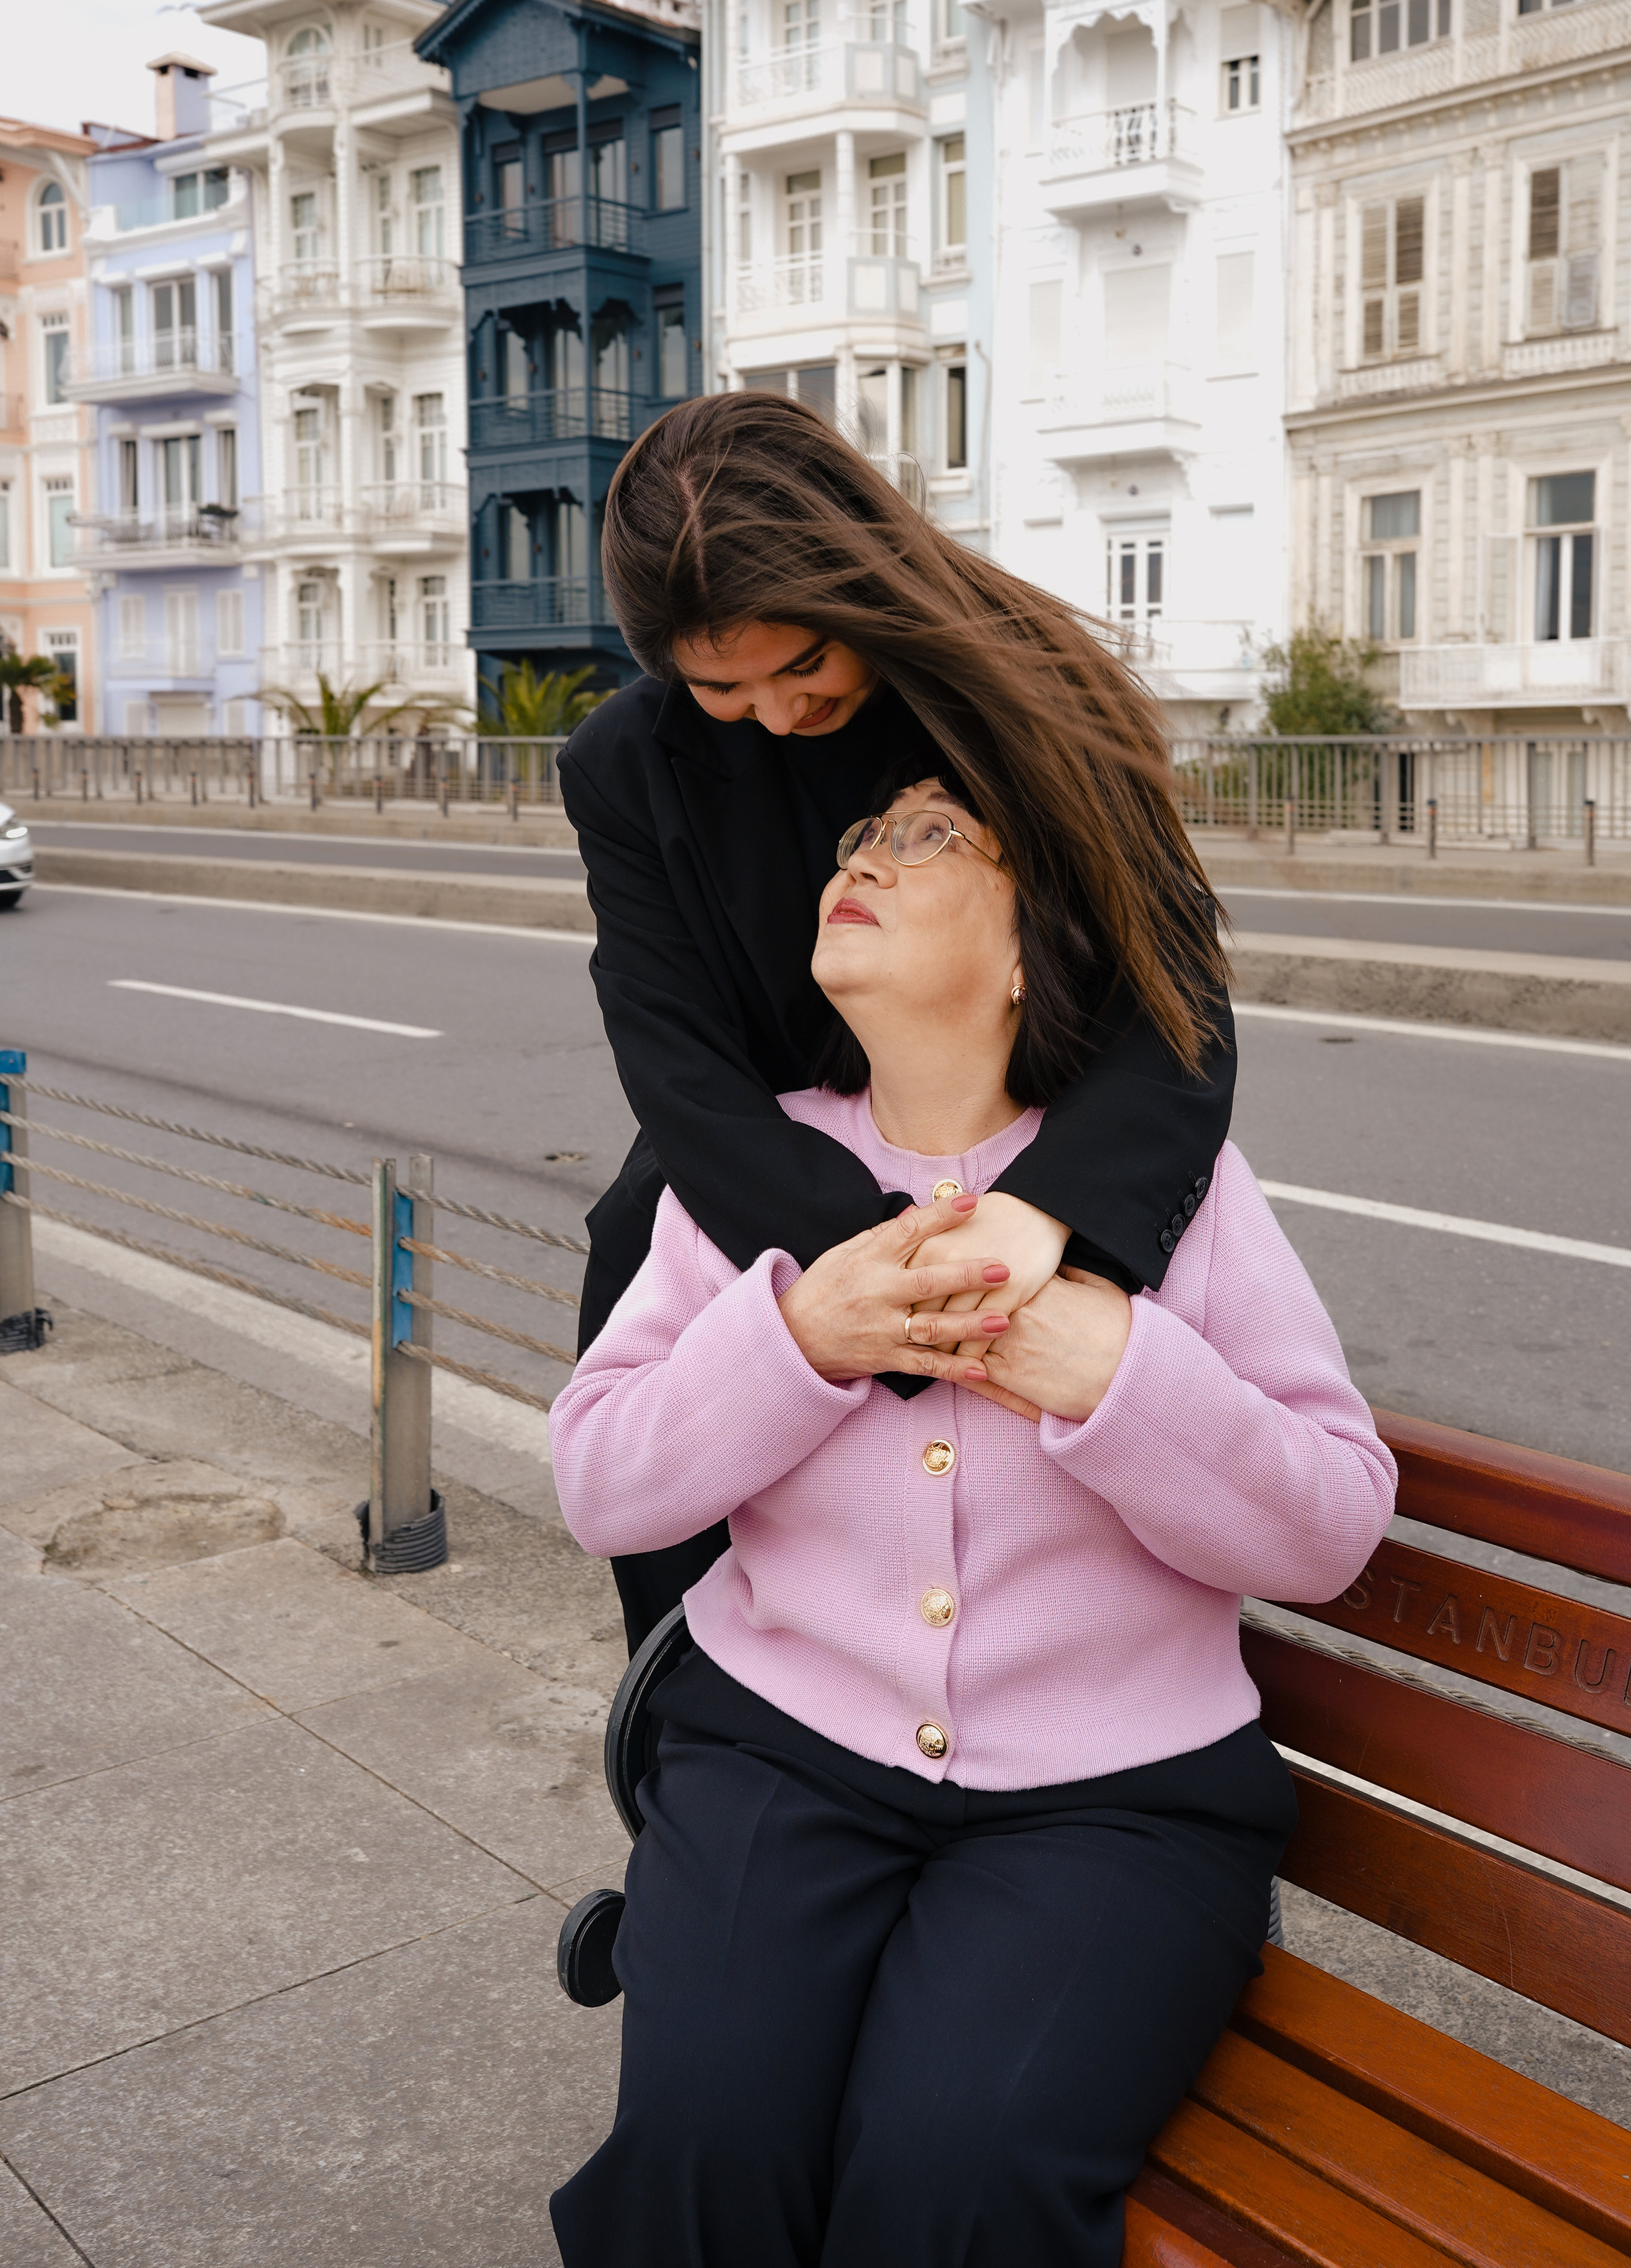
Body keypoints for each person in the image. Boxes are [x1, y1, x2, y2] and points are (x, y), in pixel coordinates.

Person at [546, 764, 1396, 2268]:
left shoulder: (1170, 1190)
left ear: (1026, 953)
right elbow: (600, 1481)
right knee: (700, 2156)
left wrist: (1116, 1375)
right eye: (860, 836)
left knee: (957, 2177)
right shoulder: (742, 1175)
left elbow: (1329, 1525)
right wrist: (803, 1341)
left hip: (1117, 1805)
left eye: (931, 837)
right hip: (773, 1754)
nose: (863, 858)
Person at [558, 390, 1239, 1655]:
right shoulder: (621, 764)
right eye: (720, 686)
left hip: (1033, 1136)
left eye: (804, 663)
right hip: (762, 1160)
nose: (773, 712)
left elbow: (1174, 990)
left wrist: (1042, 1217)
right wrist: (871, 1274)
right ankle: (689, 1721)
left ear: (858, 585)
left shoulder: (1021, 683)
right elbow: (672, 1055)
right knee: (633, 1280)